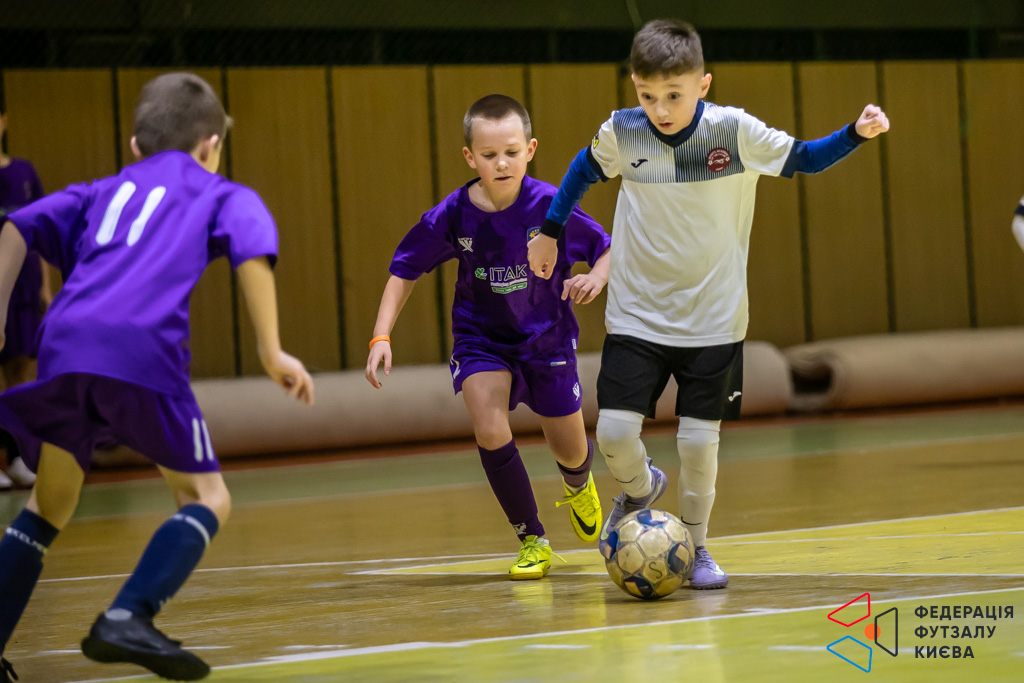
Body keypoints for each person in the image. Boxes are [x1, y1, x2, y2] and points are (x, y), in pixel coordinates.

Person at [527, 19, 890, 590]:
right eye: (647, 95)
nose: (660, 109)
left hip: (714, 319)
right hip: (638, 314)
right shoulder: (623, 131)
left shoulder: (735, 131)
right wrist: (550, 232)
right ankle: (641, 490)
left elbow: (805, 158)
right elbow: (580, 171)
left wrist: (856, 133)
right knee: (615, 434)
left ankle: (695, 548)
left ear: (703, 84)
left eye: (674, 95)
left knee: (698, 444)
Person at [0, 72, 314, 682]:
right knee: (206, 497)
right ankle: (128, 615)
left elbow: (16, 226)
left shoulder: (101, 191)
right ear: (211, 145)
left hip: (63, 346)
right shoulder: (219, 191)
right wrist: (272, 352)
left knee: (50, 503)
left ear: (135, 146)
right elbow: (252, 248)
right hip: (139, 349)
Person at [366, 94, 611, 580]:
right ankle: (532, 538)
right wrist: (381, 336)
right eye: (489, 154)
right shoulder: (453, 215)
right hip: (482, 339)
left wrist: (597, 277)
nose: (502, 163)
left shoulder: (551, 206)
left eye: (512, 152)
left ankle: (579, 482)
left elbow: (606, 247)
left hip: (547, 339)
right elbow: (404, 269)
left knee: (569, 448)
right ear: (469, 157)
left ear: (530, 150)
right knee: (489, 424)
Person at [0, 109, 50, 490]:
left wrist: (45, 286)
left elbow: (41, 230)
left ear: (4, 121)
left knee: (19, 373)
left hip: (24, 284)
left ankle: (18, 457)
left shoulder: (24, 172)